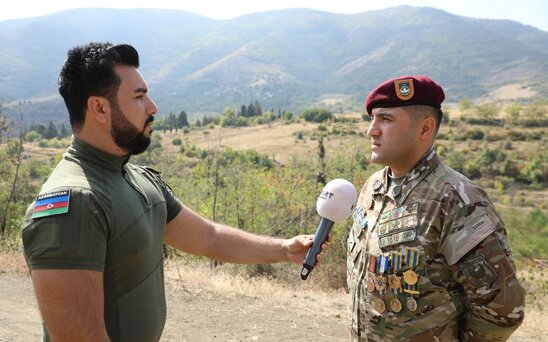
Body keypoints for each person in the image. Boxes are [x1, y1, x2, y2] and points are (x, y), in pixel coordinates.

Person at [21, 42, 328, 342]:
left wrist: (284, 250)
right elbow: (77, 337)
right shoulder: (73, 203)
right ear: (99, 108)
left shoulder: (136, 179)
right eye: (139, 97)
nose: (152, 107)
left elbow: (209, 236)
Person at [346, 75, 525, 341]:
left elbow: (501, 309)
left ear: (425, 129)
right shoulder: (373, 187)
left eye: (386, 119)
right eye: (372, 119)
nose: (371, 130)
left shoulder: (457, 201)